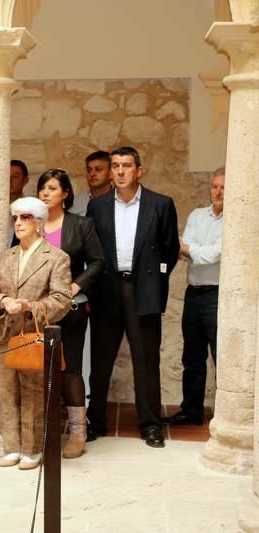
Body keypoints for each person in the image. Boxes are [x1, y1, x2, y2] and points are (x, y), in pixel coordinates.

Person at [86, 146, 180, 448]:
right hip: (107, 289)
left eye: (127, 165)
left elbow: (169, 250)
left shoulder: (161, 205)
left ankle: (150, 424)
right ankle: (94, 422)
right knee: (100, 361)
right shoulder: (97, 207)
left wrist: (156, 279)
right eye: (115, 166)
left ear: (139, 170)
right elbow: (94, 251)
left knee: (146, 360)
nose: (121, 171)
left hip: (144, 289)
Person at [0, 196, 72, 470]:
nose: (18, 223)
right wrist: (3, 303)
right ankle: (12, 448)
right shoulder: (5, 256)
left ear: (40, 223)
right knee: (6, 392)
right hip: (4, 334)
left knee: (33, 393)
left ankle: (32, 449)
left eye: (25, 217)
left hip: (34, 335)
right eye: (16, 218)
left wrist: (30, 306)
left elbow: (62, 299)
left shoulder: (57, 257)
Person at [37, 169, 105, 458]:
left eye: (52, 188)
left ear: (65, 194)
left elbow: (98, 262)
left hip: (72, 306)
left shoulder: (81, 224)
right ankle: (42, 430)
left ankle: (78, 432)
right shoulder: (32, 225)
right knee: (39, 370)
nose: (45, 193)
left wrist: (75, 286)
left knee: (71, 370)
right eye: (42, 188)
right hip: (39, 310)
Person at [164, 168, 224, 426]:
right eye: (214, 186)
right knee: (192, 356)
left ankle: (225, 416)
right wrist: (194, 250)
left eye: (223, 187)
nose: (218, 192)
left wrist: (192, 249)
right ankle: (192, 412)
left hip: (218, 295)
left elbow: (213, 254)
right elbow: (184, 250)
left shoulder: (235, 220)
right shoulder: (197, 215)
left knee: (220, 356)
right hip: (194, 294)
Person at [69, 151, 113, 216]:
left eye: (98, 169)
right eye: (89, 170)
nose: (92, 174)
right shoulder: (74, 204)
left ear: (111, 174)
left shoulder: (121, 201)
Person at [8, 159, 30, 245]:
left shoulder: (30, 208)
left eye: (15, 176)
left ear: (25, 180)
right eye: (6, 176)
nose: (9, 181)